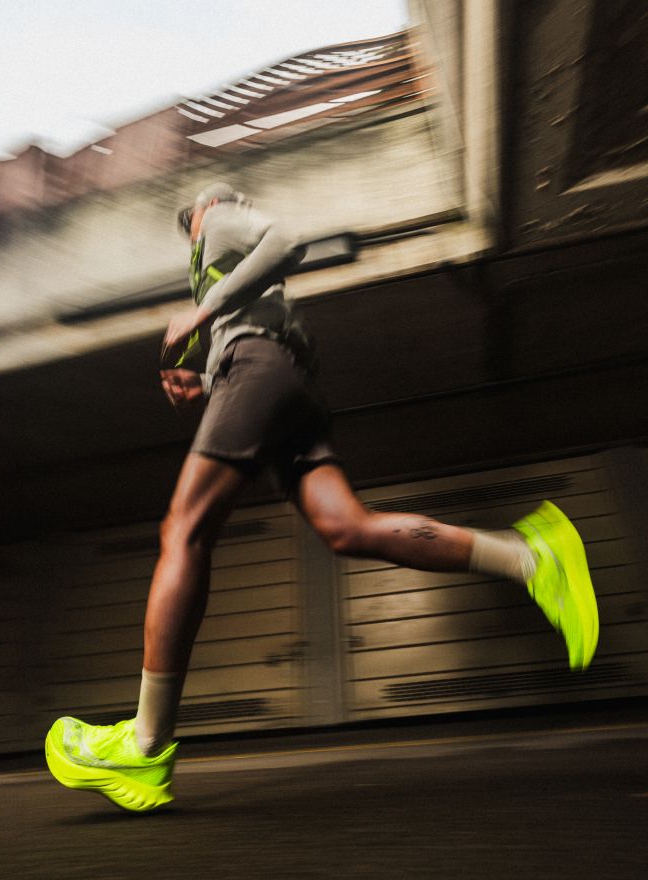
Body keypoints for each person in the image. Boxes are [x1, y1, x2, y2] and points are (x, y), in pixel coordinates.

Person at [45, 182, 599, 812]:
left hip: (259, 370)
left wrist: (203, 315)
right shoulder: (226, 269)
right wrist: (204, 378)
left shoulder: (219, 216)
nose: (191, 234)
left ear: (203, 210)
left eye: (188, 224)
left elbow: (286, 240)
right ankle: (529, 556)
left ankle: (145, 747)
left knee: (184, 532)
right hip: (281, 380)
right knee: (347, 528)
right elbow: (258, 317)